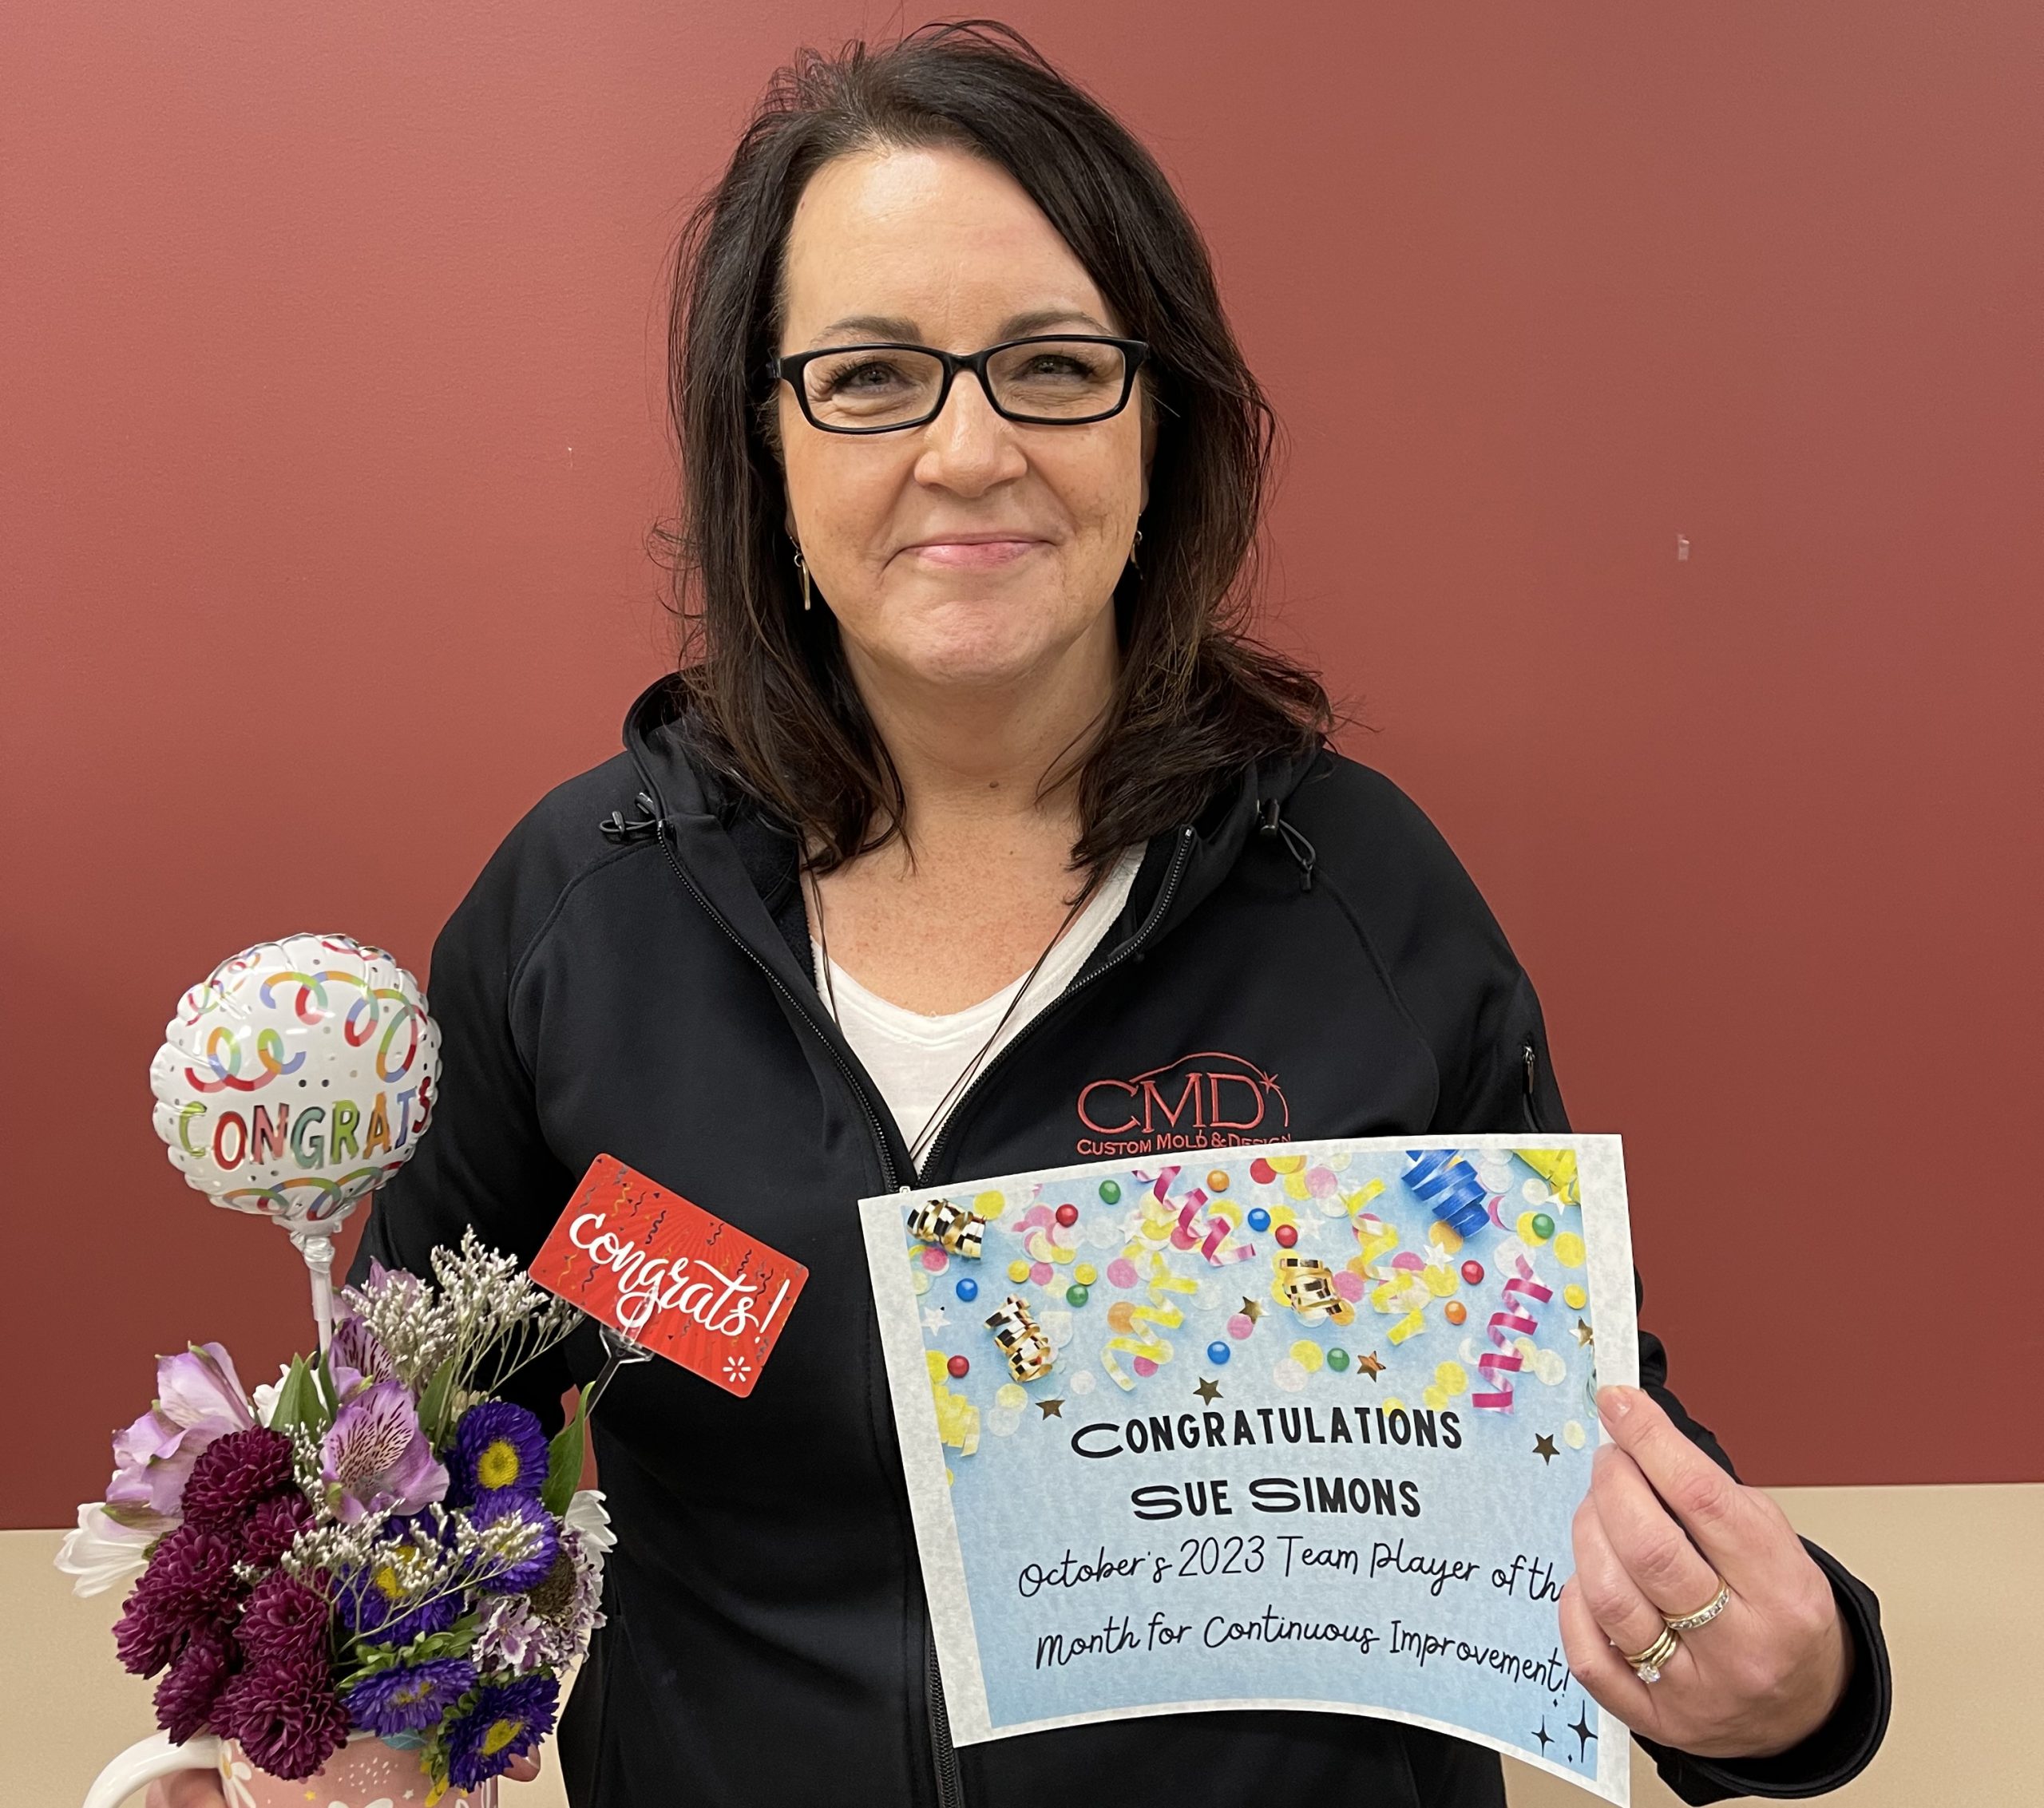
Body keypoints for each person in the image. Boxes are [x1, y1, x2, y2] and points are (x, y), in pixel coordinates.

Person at [154, 22, 1889, 1808]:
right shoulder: (578, 911)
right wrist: (287, 1731)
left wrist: (1795, 1678)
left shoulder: (1357, 897)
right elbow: (408, 1465)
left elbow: (1596, 1469)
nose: (969, 448)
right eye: (872, 375)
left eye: (1052, 366)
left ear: (1160, 429)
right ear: (765, 446)